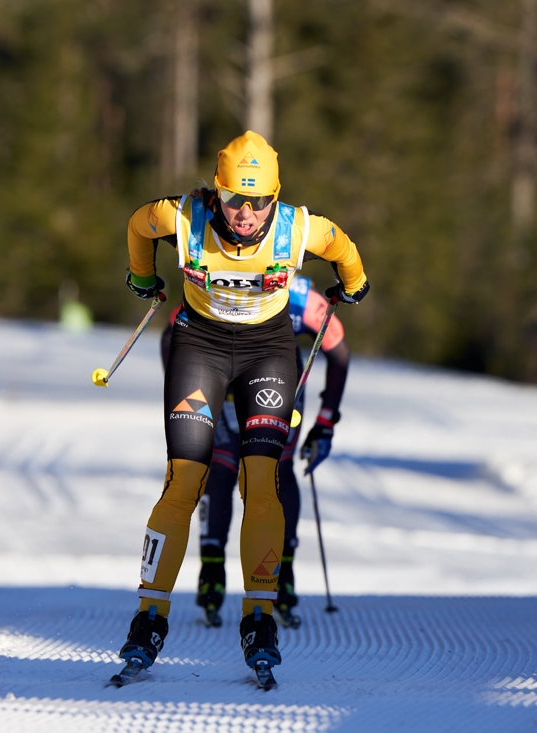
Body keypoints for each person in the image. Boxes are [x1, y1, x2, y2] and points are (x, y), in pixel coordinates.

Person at [116, 131, 368, 684]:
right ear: (216, 191)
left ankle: (259, 617)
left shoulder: (297, 227)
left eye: (259, 202)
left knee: (261, 480)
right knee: (184, 481)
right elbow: (138, 223)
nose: (247, 214)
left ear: (275, 198)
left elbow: (345, 248)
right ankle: (148, 618)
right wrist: (141, 276)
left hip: (267, 353)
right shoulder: (184, 216)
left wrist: (354, 283)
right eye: (234, 200)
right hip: (200, 348)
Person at [160, 275, 350, 629]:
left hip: (278, 395)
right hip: (225, 395)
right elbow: (172, 332)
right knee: (219, 470)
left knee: (276, 472)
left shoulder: (301, 297)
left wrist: (325, 422)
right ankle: (212, 570)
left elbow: (339, 351)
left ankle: (283, 572)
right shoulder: (222, 275)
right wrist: (183, 392)